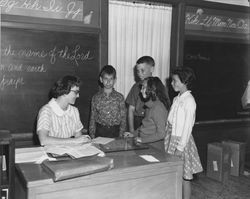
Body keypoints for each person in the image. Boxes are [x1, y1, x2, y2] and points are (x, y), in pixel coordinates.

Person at [164, 67, 203, 199]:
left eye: (175, 81)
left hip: (182, 142)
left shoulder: (189, 101)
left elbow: (187, 127)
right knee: (174, 174)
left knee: (185, 177)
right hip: (172, 138)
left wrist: (180, 147)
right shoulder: (177, 99)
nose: (172, 83)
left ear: (184, 82)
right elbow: (170, 119)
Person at [37, 75, 90, 146]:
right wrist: (73, 141)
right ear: (65, 91)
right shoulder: (46, 111)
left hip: (71, 152)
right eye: (76, 92)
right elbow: (43, 140)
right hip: (51, 154)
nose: (78, 96)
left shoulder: (74, 111)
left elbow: (78, 137)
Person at [132, 77, 171, 151]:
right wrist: (133, 134)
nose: (141, 91)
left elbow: (161, 134)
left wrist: (142, 140)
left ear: (152, 90)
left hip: (154, 148)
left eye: (143, 88)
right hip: (146, 145)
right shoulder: (149, 105)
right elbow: (145, 126)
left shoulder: (158, 108)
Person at [89, 65, 126, 138]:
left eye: (111, 79)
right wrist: (92, 135)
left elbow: (123, 118)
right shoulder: (96, 97)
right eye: (106, 78)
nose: (108, 82)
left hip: (115, 131)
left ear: (115, 80)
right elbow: (92, 117)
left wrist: (121, 135)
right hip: (100, 131)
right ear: (101, 79)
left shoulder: (119, 98)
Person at [126, 56, 158, 133]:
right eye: (138, 71)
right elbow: (131, 109)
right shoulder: (136, 87)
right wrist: (131, 130)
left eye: (142, 70)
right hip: (137, 120)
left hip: (151, 121)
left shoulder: (157, 86)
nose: (139, 74)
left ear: (152, 69)